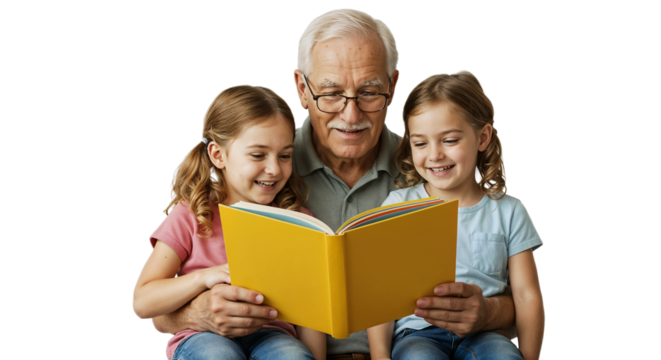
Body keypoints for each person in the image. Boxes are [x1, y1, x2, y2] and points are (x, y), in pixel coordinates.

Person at [151, 7, 518, 359]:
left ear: (393, 85)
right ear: (302, 87)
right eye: (330, 93)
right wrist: (198, 312)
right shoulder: (259, 172)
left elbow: (517, 288)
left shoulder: (432, 166)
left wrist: (487, 312)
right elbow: (155, 313)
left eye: (370, 92)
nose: (351, 113)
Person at [364, 70, 545, 360]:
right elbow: (380, 292)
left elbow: (527, 296)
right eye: (421, 143)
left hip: (485, 333)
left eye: (449, 140)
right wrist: (381, 356)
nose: (434, 155)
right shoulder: (398, 206)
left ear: (482, 137)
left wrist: (528, 356)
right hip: (417, 333)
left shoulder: (509, 210)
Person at [132, 84, 315, 360]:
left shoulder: (297, 219)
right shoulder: (191, 215)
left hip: (272, 334)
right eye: (257, 155)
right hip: (202, 335)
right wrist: (203, 278)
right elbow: (143, 302)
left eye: (285, 155)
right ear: (218, 155)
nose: (275, 169)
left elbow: (312, 309)